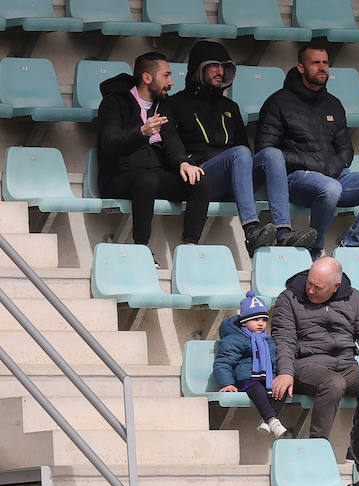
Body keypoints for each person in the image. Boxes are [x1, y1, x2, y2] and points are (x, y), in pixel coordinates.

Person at [163, 40, 316, 256]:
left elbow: (244, 149)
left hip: (234, 179)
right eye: (214, 65)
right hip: (202, 178)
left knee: (272, 154)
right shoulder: (176, 104)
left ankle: (283, 231)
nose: (220, 71)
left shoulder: (230, 107)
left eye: (225, 66)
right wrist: (184, 162)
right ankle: (251, 230)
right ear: (199, 68)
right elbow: (170, 142)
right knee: (241, 153)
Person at [255, 42, 359, 258]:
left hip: (335, 176)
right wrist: (313, 164)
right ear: (301, 67)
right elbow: (266, 150)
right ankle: (315, 249)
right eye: (315, 63)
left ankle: (349, 246)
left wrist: (333, 165)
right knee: (331, 188)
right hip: (295, 179)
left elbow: (346, 150)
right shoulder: (278, 102)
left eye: (325, 63)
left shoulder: (333, 104)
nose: (322, 68)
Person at [96, 50, 209, 250]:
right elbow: (110, 144)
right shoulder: (114, 103)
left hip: (154, 175)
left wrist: (183, 162)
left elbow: (172, 142)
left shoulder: (164, 107)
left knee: (200, 180)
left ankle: (190, 246)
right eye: (166, 75)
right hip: (119, 176)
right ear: (147, 77)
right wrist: (141, 132)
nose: (171, 82)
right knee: (146, 180)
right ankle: (142, 248)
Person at [271, 256, 359, 440]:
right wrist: (285, 371)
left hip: (347, 366)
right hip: (307, 366)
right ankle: (318, 444)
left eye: (318, 288)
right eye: (310, 283)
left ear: (336, 287)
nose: (310, 290)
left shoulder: (353, 297)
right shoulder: (289, 298)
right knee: (333, 383)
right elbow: (284, 339)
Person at [211, 289, 287, 437]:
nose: (261, 323)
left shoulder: (268, 341)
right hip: (247, 381)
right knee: (257, 390)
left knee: (281, 389)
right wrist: (227, 383)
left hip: (267, 380)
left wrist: (280, 377)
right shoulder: (235, 339)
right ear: (244, 322)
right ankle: (273, 421)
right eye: (256, 320)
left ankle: (266, 422)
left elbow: (274, 361)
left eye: (264, 320)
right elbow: (223, 363)